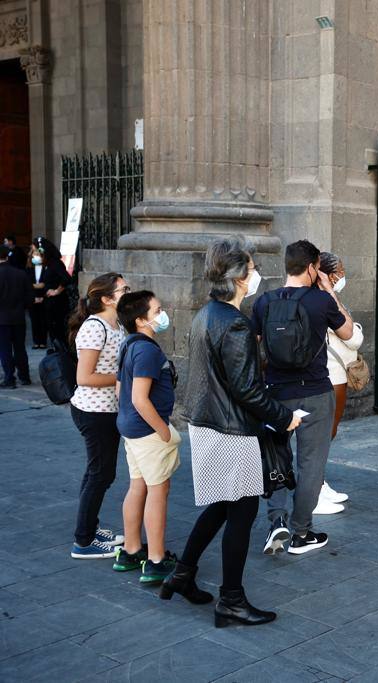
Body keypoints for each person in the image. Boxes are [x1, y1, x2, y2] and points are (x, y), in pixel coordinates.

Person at [166, 237, 301, 626]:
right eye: (254, 268)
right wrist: (284, 416)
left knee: (223, 506)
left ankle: (183, 573)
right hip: (230, 429)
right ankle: (231, 600)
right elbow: (245, 389)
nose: (257, 274)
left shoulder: (206, 314)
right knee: (240, 510)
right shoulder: (235, 322)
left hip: (210, 424)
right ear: (241, 277)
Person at [253, 240, 353, 556]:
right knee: (311, 465)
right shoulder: (321, 301)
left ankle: (276, 522)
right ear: (312, 268)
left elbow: (254, 346)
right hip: (315, 392)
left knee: (276, 458)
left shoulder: (263, 302)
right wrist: (328, 290)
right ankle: (300, 532)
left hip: (276, 394)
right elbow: (348, 332)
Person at [114, 290, 180, 584]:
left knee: (137, 486)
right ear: (141, 320)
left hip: (130, 428)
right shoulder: (147, 350)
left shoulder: (129, 344)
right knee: (157, 491)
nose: (162, 313)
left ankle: (131, 550)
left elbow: (121, 392)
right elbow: (141, 398)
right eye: (157, 310)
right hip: (148, 431)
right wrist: (163, 431)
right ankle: (155, 560)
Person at [67, 272, 129, 558]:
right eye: (123, 289)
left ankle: (88, 526)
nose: (128, 292)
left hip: (107, 409)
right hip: (94, 411)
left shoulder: (116, 324)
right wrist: (123, 378)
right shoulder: (95, 327)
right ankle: (84, 541)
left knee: (97, 472)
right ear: (106, 298)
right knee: (101, 474)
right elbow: (84, 376)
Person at [315, 251, 360, 514]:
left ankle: (319, 483)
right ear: (326, 274)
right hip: (330, 375)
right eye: (339, 271)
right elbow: (353, 338)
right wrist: (330, 292)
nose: (343, 276)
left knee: (327, 435)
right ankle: (314, 487)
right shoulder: (325, 299)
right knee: (323, 435)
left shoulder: (328, 298)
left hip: (336, 375)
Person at [0, 246, 33, 388]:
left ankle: (9, 378)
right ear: (7, 256)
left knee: (5, 349)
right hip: (19, 317)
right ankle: (24, 377)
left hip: (1, 319)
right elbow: (30, 298)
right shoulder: (21, 274)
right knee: (20, 348)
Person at [33, 236, 71, 347]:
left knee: (58, 331)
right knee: (53, 331)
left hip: (57, 304)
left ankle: (62, 355)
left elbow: (67, 278)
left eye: (36, 250)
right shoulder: (48, 264)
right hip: (50, 304)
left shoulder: (55, 263)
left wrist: (57, 291)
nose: (34, 253)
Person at [27, 244, 48, 349]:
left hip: (44, 297)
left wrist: (42, 294)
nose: (36, 256)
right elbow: (27, 284)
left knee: (43, 320)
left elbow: (46, 283)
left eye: (39, 255)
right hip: (33, 298)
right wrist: (34, 295)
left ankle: (43, 341)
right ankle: (36, 341)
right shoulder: (28, 269)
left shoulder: (46, 268)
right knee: (34, 320)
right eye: (34, 255)